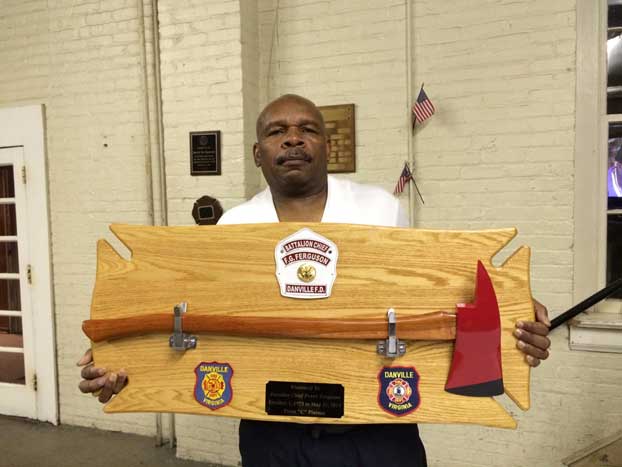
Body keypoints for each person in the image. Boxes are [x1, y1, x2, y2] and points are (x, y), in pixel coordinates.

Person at [78, 94, 552, 467]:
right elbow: (180, 319)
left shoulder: (381, 209)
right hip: (272, 435)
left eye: (308, 129)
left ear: (328, 146)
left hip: (380, 428)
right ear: (258, 153)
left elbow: (436, 288)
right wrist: (124, 363)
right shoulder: (232, 230)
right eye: (276, 131)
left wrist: (515, 314)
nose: (292, 139)